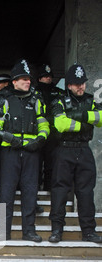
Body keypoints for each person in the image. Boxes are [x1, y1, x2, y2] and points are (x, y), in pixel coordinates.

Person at [0, 59, 50, 242]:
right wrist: (9, 138)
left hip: (32, 153)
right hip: (10, 152)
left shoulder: (36, 100)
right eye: (23, 79)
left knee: (30, 192)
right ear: (14, 81)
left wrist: (41, 139)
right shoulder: (4, 100)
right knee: (6, 194)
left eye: (29, 79)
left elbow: (44, 125)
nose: (28, 82)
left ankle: (29, 231)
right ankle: (3, 232)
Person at [49, 63, 102, 244]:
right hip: (64, 149)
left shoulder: (91, 99)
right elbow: (61, 124)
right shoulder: (60, 100)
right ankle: (56, 230)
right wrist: (86, 120)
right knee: (60, 191)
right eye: (76, 83)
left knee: (86, 192)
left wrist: (76, 116)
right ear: (69, 85)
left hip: (84, 149)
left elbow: (101, 118)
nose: (81, 86)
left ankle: (88, 231)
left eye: (83, 83)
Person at [36, 64, 63, 191]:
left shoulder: (58, 92)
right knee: (35, 163)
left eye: (49, 76)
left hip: (53, 133)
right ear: (39, 78)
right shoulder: (34, 92)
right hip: (37, 132)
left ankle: (48, 188)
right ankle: (36, 188)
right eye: (45, 76)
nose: (48, 79)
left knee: (51, 164)